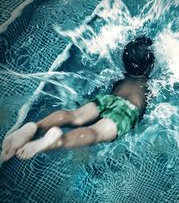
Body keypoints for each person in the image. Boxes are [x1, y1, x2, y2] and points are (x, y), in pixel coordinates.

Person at [0, 36, 155, 161]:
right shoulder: (150, 84)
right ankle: (60, 141)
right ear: (150, 66)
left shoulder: (120, 79)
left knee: (74, 115)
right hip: (127, 111)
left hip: (108, 100)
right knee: (94, 132)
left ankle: (35, 127)